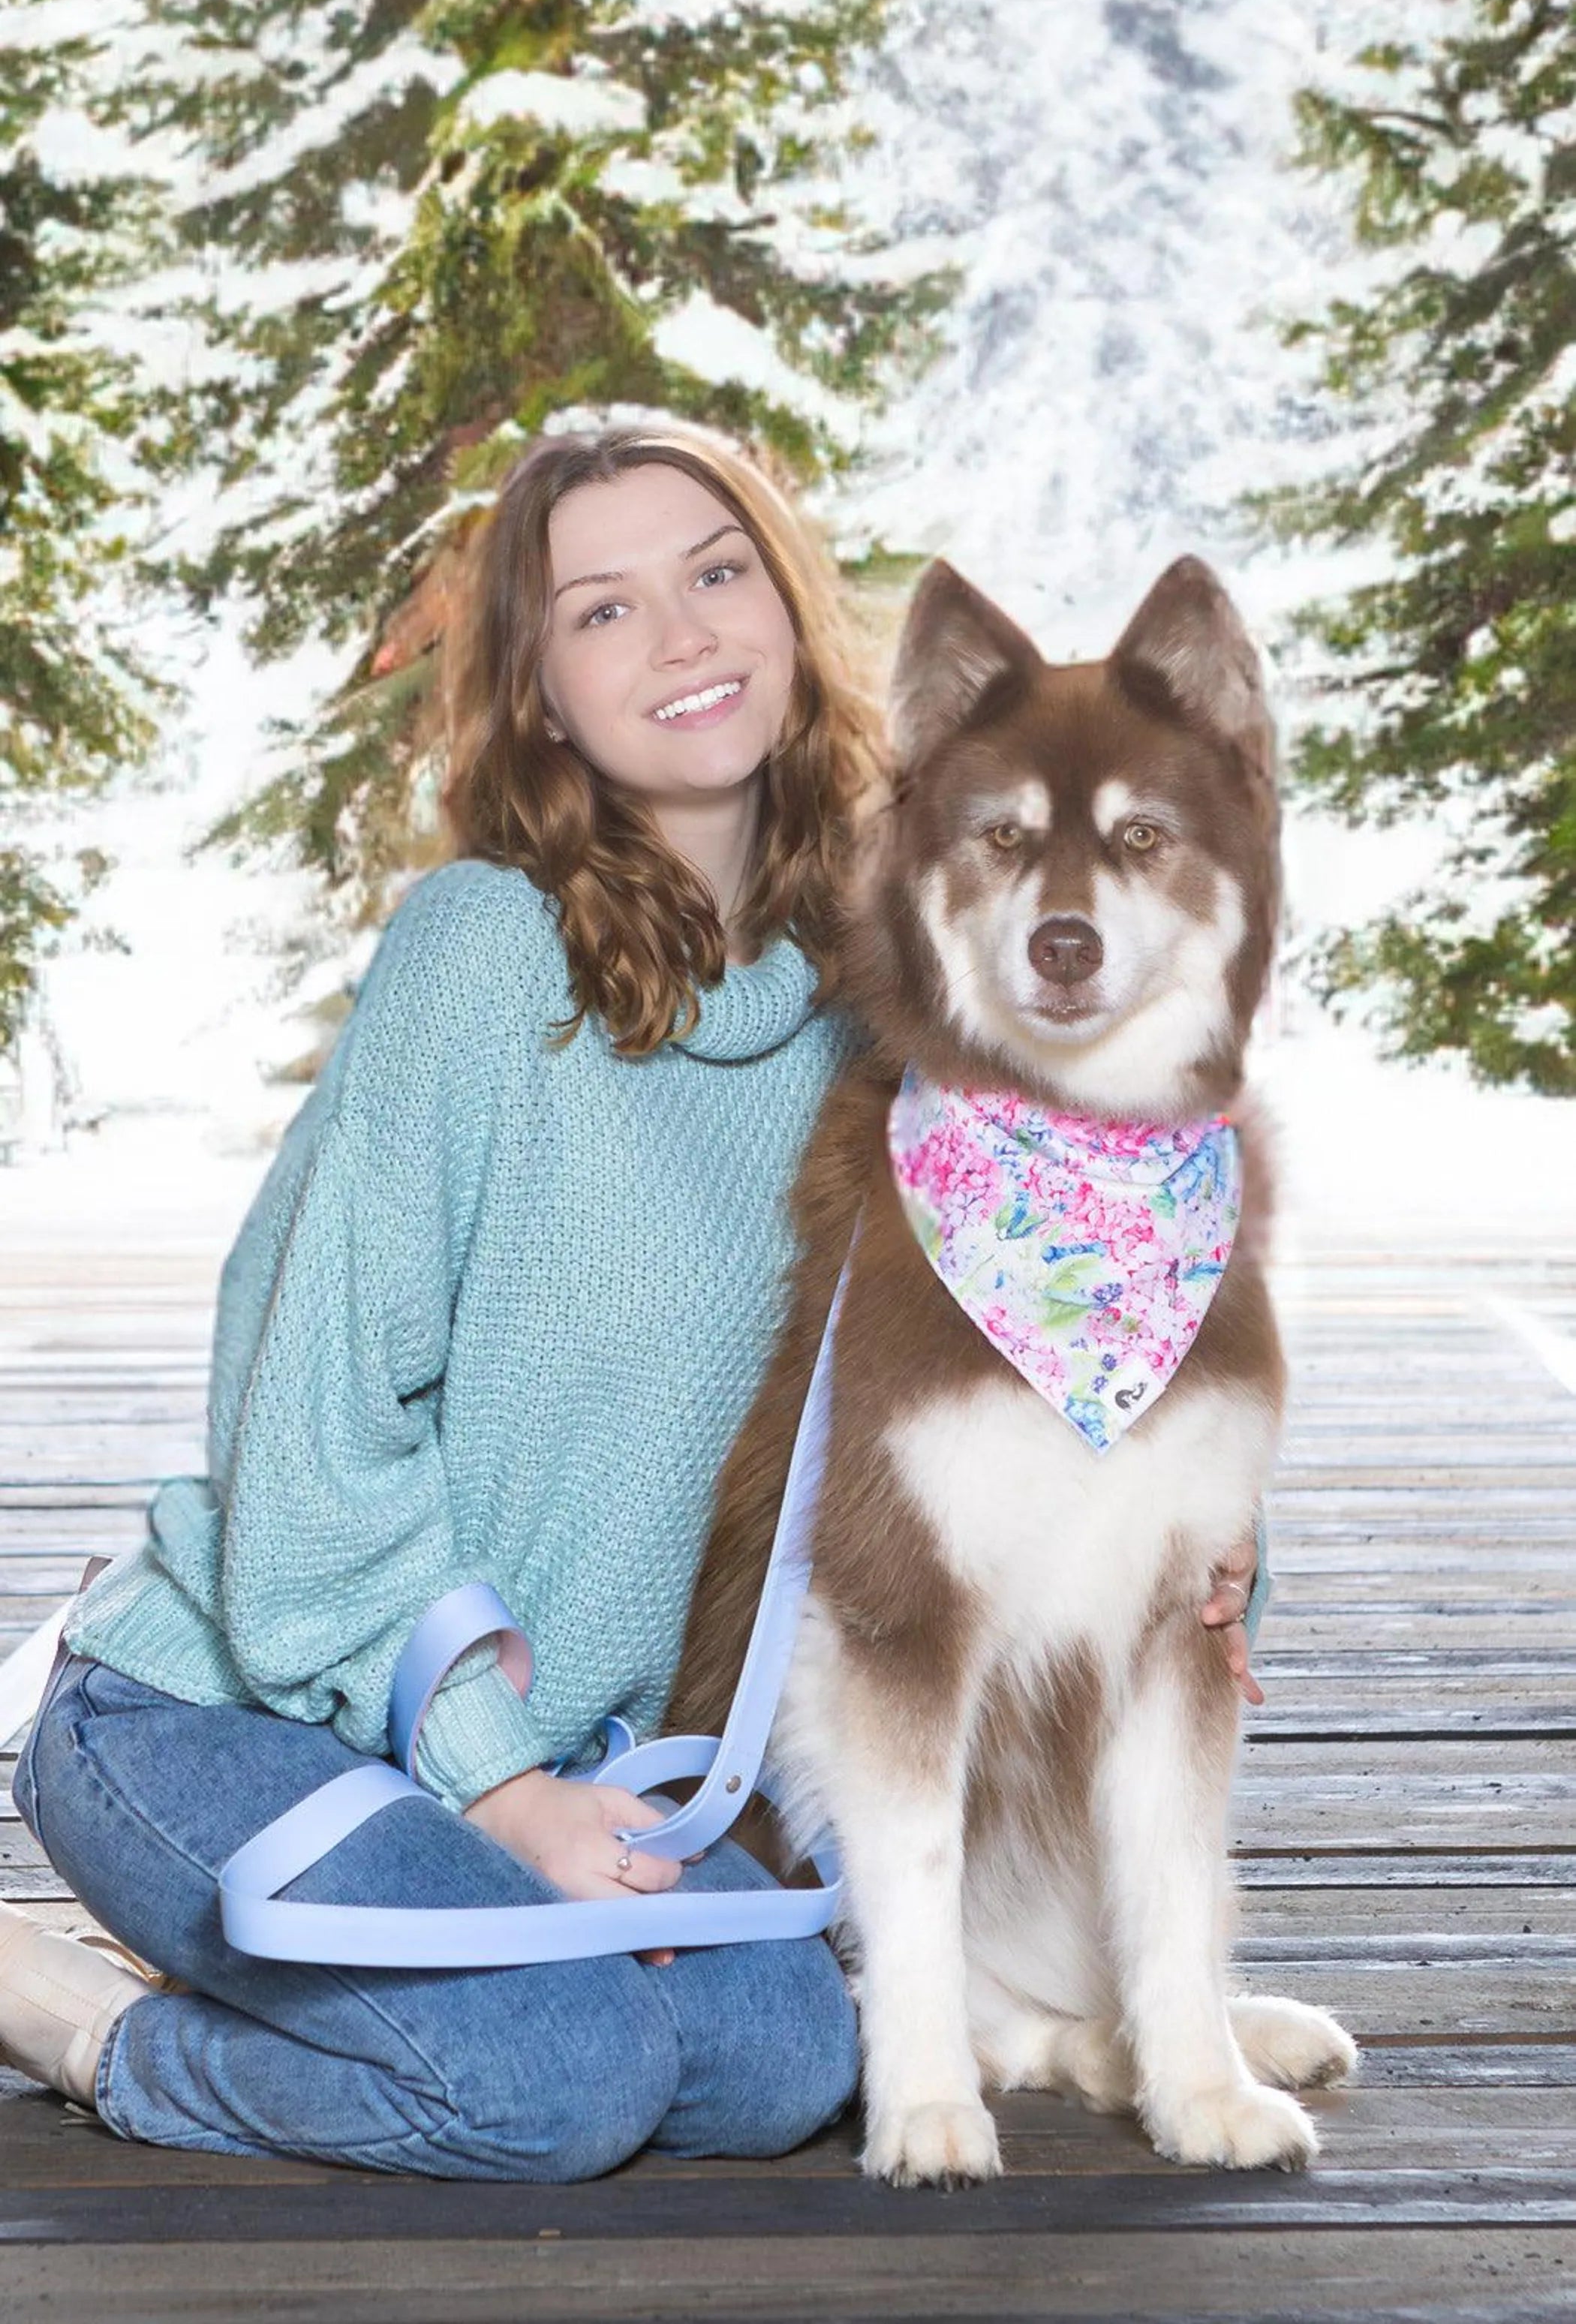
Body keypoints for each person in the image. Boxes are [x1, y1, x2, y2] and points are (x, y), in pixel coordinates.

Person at [0, 425, 1265, 2180]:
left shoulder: (881, 1005)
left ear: (788, 614)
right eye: (605, 610)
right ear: (538, 696)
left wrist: (1179, 1542)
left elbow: (1044, 1291)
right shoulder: (479, 957)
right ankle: (100, 2027)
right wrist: (502, 1788)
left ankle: (353, 1976)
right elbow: (305, 1433)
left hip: (592, 1755)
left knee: (774, 2070)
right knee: (554, 2088)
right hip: (242, 1707)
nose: (681, 637)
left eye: (716, 573)